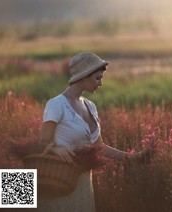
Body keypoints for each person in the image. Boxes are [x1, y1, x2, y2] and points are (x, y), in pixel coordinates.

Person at [37, 52, 151, 212]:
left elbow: (99, 147)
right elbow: (42, 143)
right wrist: (57, 149)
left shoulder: (90, 106)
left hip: (83, 183)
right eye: (98, 78)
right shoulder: (56, 105)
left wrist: (133, 158)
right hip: (59, 182)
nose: (101, 83)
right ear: (84, 76)